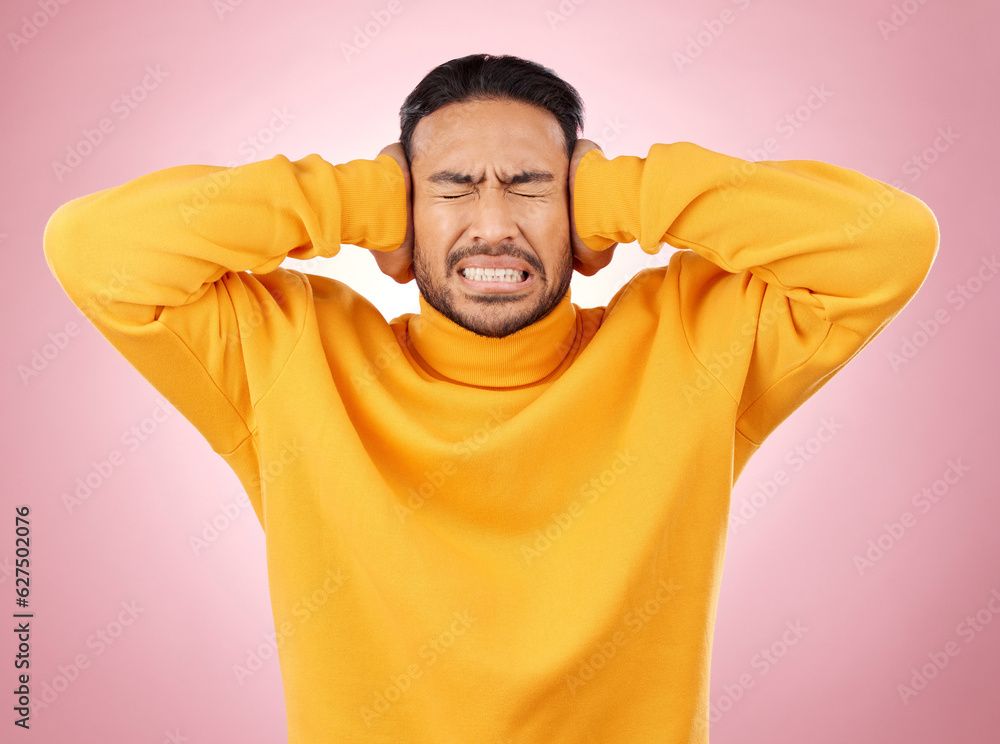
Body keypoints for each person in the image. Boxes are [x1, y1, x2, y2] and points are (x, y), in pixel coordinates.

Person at [43, 53, 939, 742]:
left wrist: (625, 189)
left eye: (531, 185)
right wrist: (354, 198)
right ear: (402, 212)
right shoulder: (288, 357)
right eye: (452, 188)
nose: (495, 224)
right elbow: (95, 249)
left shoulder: (692, 344)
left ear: (583, 211)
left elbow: (886, 242)